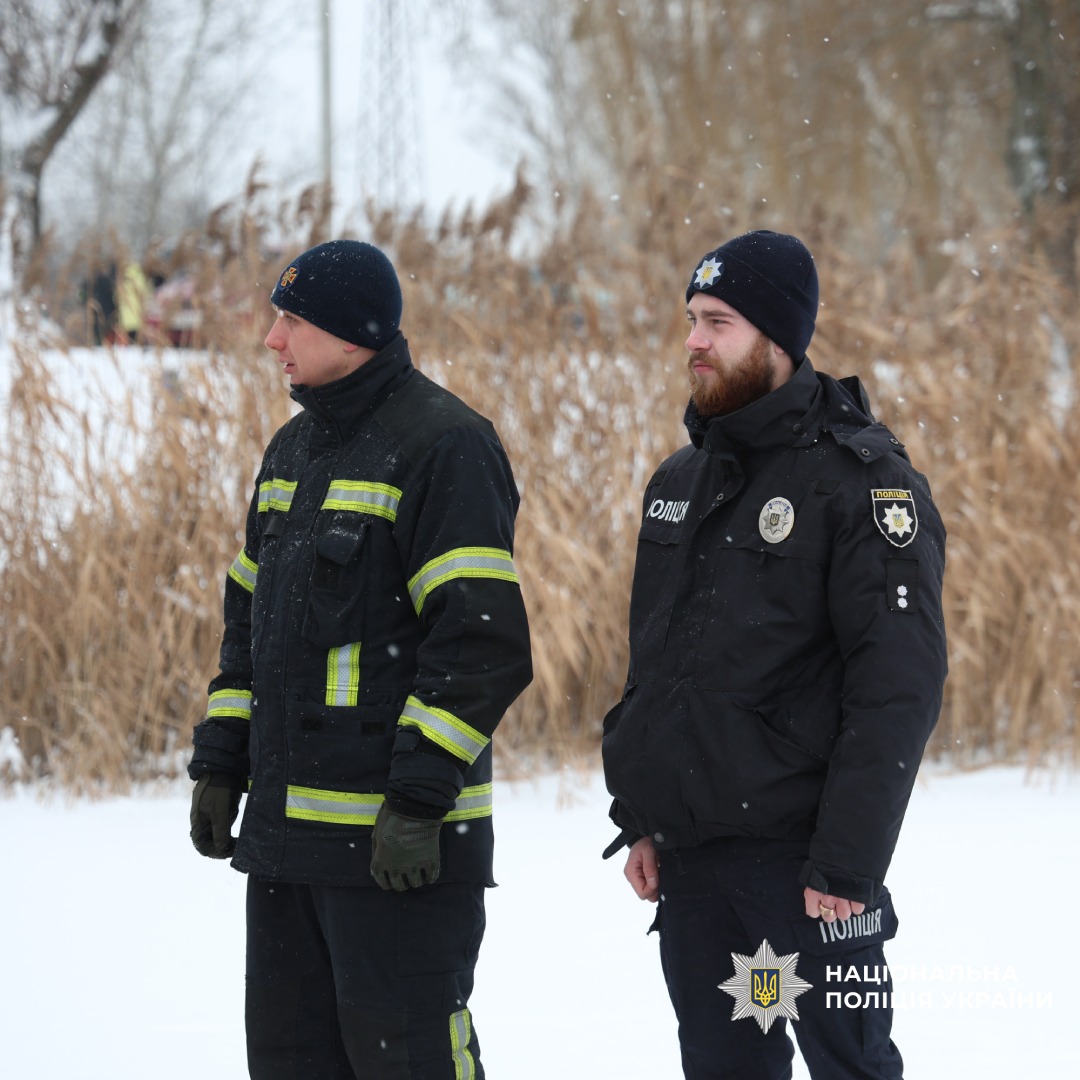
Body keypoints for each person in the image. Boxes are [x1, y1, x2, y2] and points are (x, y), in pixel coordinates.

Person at [601, 230, 947, 1079]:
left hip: (806, 877)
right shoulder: (680, 481)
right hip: (699, 878)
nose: (693, 341)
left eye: (717, 322)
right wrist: (644, 817)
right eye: (691, 319)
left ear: (779, 338)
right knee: (726, 1070)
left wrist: (847, 867)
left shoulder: (863, 483)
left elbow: (897, 686)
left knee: (850, 1068)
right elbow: (661, 665)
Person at [188, 239, 532, 1079]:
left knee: (412, 1064)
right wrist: (221, 760)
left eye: (291, 320)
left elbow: (480, 643)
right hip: (283, 852)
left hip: (396, 860)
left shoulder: (444, 445)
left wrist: (417, 802)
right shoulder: (290, 454)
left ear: (354, 336)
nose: (272, 338)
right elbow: (249, 630)